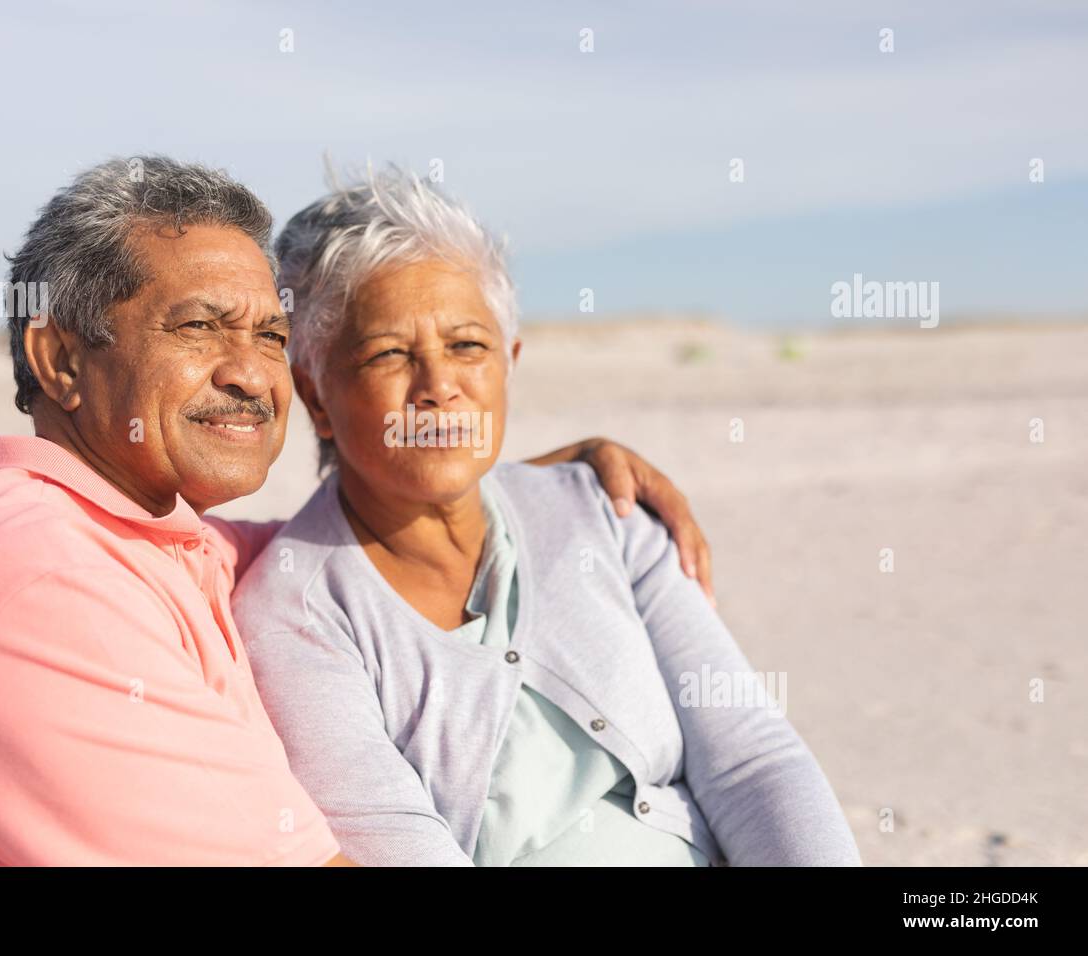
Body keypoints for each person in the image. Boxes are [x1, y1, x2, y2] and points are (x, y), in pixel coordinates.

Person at [0, 156, 711, 866]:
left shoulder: (148, 541)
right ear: (59, 359)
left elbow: (348, 540)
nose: (252, 373)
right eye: (199, 327)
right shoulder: (41, 584)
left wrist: (498, 471)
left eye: (272, 336)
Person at [232, 165, 863, 866]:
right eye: (388, 355)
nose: (439, 387)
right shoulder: (294, 616)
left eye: (467, 346)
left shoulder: (608, 511)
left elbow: (754, 765)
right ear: (315, 394)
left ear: (509, 362)